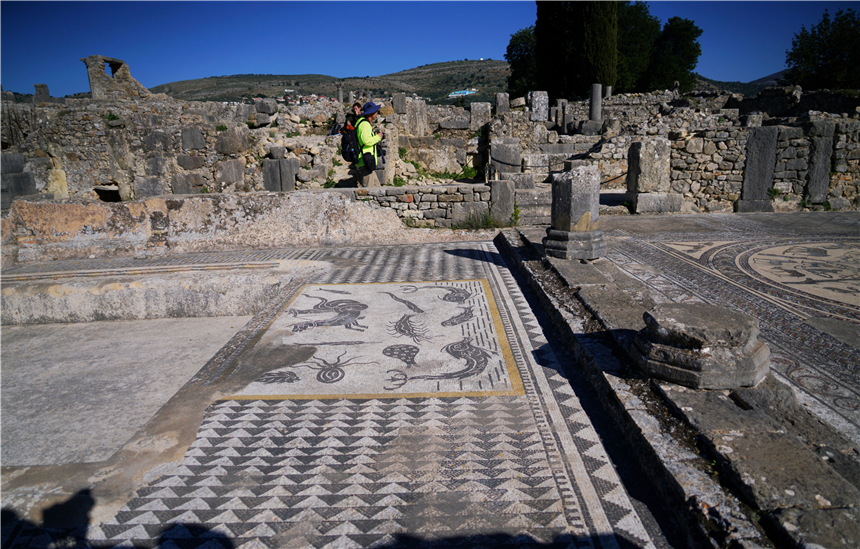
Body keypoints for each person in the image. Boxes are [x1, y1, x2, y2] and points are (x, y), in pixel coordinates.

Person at [355, 101, 384, 187]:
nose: (377, 113)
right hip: (365, 160)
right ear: (371, 113)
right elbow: (366, 141)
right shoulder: (365, 124)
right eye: (375, 111)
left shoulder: (362, 123)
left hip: (367, 161)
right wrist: (378, 137)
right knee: (369, 191)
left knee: (377, 189)